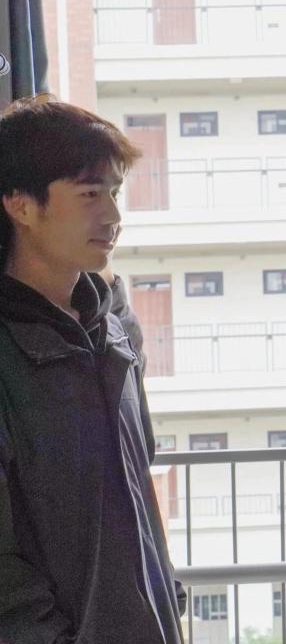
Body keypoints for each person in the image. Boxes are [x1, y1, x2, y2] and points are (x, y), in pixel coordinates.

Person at [0, 95, 185, 643]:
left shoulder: (112, 328)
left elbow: (138, 475)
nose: (112, 216)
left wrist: (167, 597)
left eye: (114, 193)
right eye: (88, 194)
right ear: (21, 205)